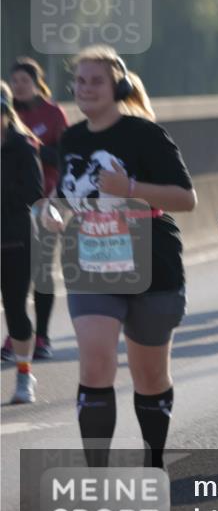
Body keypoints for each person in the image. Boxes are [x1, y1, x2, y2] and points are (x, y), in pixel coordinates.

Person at [41, 45, 196, 468]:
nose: (86, 88)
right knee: (94, 363)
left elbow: (186, 199)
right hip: (93, 263)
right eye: (80, 81)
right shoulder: (71, 138)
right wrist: (54, 211)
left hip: (152, 262)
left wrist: (129, 189)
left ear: (119, 87)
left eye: (97, 81)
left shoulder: (145, 135)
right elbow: (67, 194)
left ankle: (153, 461)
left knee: (150, 377)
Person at [2, 58, 69, 361]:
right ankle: (17, 333)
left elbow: (66, 156)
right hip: (13, 210)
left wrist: (36, 148)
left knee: (41, 268)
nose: (19, 86)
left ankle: (41, 335)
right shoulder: (7, 111)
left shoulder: (53, 114)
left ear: (37, 83)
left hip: (46, 200)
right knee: (14, 277)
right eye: (14, 80)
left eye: (24, 81)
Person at [1, 84, 44, 403]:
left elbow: (34, 192)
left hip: (15, 239)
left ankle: (24, 375)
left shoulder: (23, 147)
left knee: (15, 309)